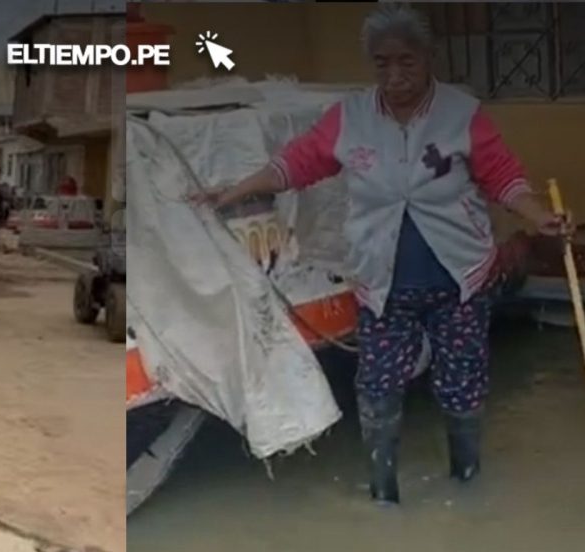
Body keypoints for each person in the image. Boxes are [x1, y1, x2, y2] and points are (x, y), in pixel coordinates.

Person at [193, 5, 568, 504]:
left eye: (406, 62)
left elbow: (503, 176)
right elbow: (296, 164)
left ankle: (467, 476)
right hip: (382, 283)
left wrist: (536, 215)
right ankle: (383, 493)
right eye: (382, 63)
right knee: (378, 388)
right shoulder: (351, 117)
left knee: (462, 386)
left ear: (428, 57)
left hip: (459, 280)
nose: (395, 76)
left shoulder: (463, 114)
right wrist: (233, 193)